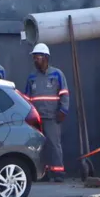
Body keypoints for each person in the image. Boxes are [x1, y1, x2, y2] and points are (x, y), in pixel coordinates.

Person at [24, 43, 70, 182]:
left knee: (54, 144)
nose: (35, 60)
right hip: (36, 119)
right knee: (38, 146)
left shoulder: (57, 74)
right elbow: (26, 98)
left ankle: (58, 172)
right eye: (34, 57)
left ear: (45, 57)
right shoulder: (32, 77)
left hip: (52, 117)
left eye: (37, 56)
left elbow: (64, 93)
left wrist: (63, 110)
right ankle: (42, 173)